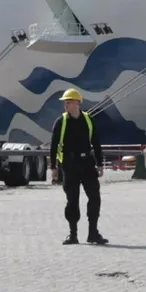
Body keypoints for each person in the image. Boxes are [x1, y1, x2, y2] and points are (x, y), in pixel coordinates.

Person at [49, 88, 108, 245]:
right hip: (70, 165)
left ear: (77, 103)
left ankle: (93, 233)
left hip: (87, 163)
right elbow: (53, 146)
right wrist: (53, 167)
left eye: (68, 102)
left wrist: (100, 163)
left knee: (94, 197)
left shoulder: (89, 120)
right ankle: (72, 234)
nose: (65, 106)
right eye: (65, 103)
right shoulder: (61, 122)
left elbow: (96, 143)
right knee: (72, 200)